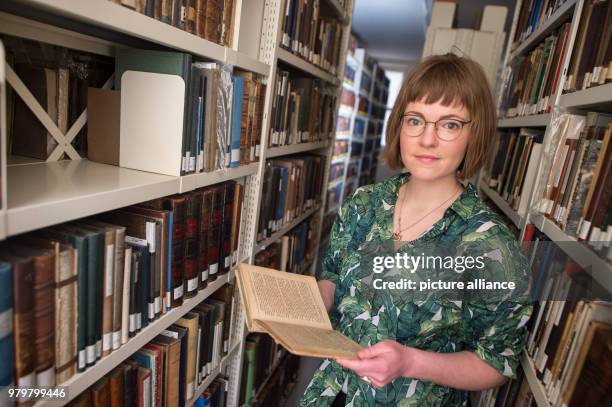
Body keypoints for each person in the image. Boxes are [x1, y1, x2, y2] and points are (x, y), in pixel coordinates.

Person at [300, 54, 532, 406]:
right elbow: (333, 276)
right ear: (400, 126)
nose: (427, 139)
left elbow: (496, 362)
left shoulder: (491, 244)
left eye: (449, 124)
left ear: (475, 132)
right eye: (415, 120)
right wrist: (310, 303)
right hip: (332, 392)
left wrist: (411, 361)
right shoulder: (364, 203)